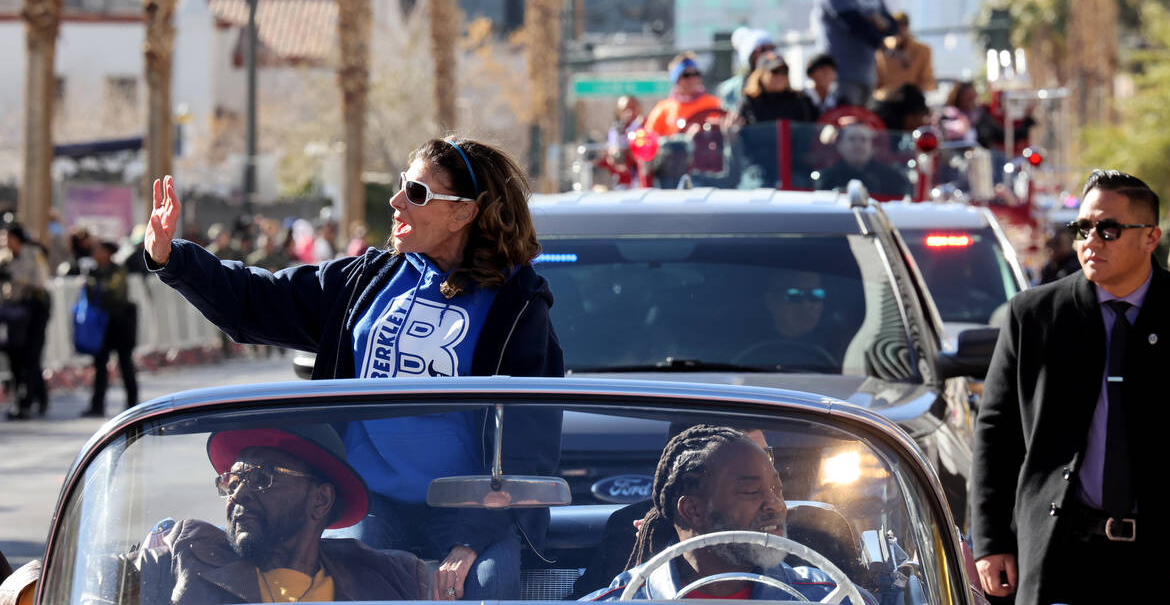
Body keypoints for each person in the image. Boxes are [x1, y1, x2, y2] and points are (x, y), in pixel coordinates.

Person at [143, 137, 563, 600]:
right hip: (365, 498)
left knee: (485, 590)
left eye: (417, 194)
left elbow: (527, 441)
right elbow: (258, 302)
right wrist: (173, 258)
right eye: (403, 184)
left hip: (471, 507)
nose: (396, 199)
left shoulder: (518, 306)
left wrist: (470, 539)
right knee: (342, 595)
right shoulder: (370, 278)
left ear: (463, 213)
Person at [972, 170, 1170, 604]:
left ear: (1151, 237)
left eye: (1109, 229)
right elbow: (996, 432)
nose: (1091, 240)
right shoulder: (1033, 315)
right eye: (1083, 228)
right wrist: (991, 540)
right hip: (1059, 554)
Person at [119, 423, 428, 604]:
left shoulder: (389, 579)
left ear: (320, 500)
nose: (238, 494)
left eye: (261, 478)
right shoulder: (185, 555)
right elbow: (92, 578)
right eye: (233, 481)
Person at [584, 426, 859, 601]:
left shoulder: (828, 596)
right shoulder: (621, 600)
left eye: (777, 488)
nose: (775, 505)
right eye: (751, 491)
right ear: (693, 510)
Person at [811, 0, 897, 107]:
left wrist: (880, 23)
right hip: (840, 75)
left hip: (867, 74)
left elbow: (892, 26)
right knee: (845, 126)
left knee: (863, 129)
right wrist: (877, 34)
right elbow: (854, 23)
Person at [81, 241, 138, 418]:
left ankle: (132, 403)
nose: (96, 254)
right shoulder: (92, 272)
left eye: (99, 250)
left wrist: (95, 286)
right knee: (100, 365)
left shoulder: (118, 270)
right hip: (101, 325)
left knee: (125, 363)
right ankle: (97, 404)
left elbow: (115, 293)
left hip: (120, 324)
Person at [0, 223, 50, 420]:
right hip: (15, 313)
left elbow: (40, 279)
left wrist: (14, 276)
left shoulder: (33, 254)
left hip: (35, 310)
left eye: (8, 237)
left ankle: (29, 401)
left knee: (31, 356)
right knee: (16, 357)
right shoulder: (5, 257)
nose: (5, 242)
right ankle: (27, 399)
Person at [814, 121, 910, 198]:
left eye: (863, 139)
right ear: (840, 146)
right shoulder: (827, 178)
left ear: (872, 147)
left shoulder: (892, 178)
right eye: (852, 139)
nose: (858, 145)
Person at [645, 52, 723, 138]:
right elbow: (650, 137)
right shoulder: (664, 108)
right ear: (676, 79)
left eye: (696, 74)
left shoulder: (714, 104)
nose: (692, 79)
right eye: (686, 75)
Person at [732, 54, 819, 127]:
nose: (780, 76)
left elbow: (816, 126)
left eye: (784, 71)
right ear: (760, 75)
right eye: (775, 71)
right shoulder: (749, 102)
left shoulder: (800, 99)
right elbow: (739, 135)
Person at [873, 11, 934, 99]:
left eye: (903, 25)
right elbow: (877, 82)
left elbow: (927, 81)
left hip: (911, 100)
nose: (899, 30)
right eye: (896, 26)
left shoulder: (923, 50)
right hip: (888, 100)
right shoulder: (882, 50)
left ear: (907, 27)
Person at [718, 28, 776, 111]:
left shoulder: (781, 81)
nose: (770, 53)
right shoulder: (731, 89)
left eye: (772, 48)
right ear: (751, 55)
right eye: (763, 49)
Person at [596, 95, 645, 188]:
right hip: (621, 181)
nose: (629, 113)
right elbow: (614, 152)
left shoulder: (644, 125)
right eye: (625, 110)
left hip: (641, 179)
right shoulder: (615, 130)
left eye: (632, 108)